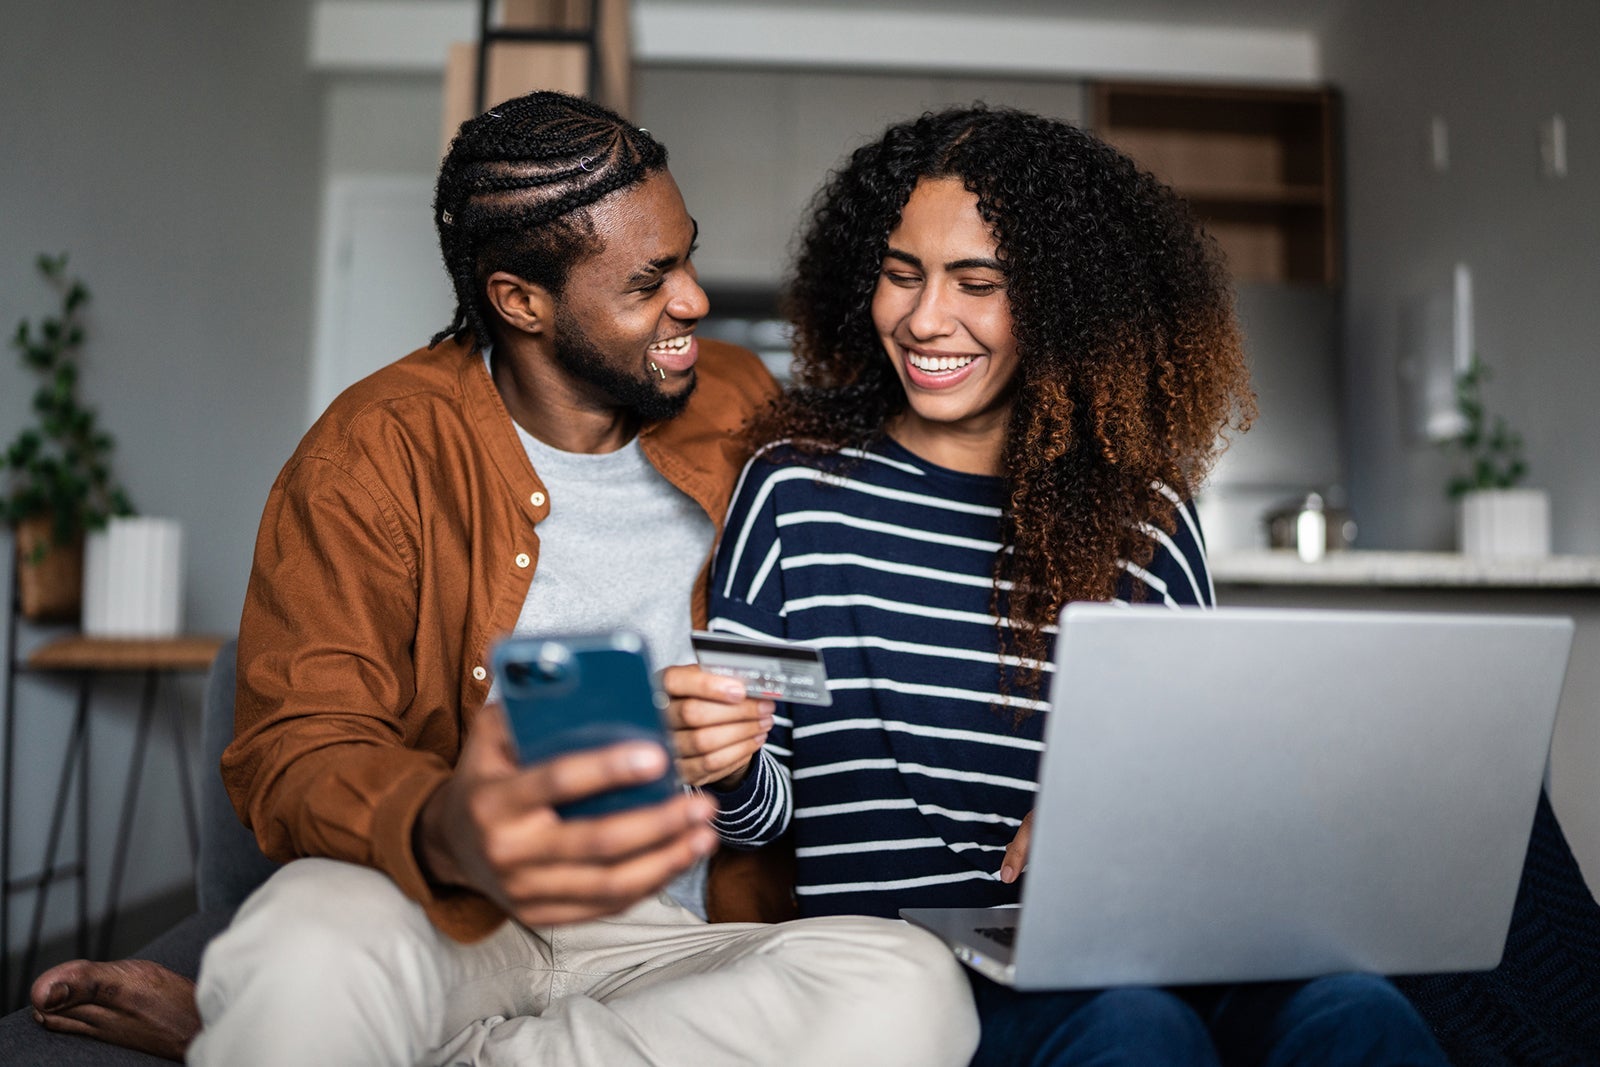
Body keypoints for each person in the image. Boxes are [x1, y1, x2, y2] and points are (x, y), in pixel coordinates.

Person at [29, 90, 978, 1066]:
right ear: (521, 300)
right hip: (446, 908)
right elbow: (294, 743)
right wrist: (447, 820)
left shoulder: (736, 399)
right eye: (649, 281)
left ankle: (322, 1041)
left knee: (908, 985)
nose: (692, 297)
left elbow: (857, 578)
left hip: (674, 937)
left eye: (686, 255)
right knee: (305, 937)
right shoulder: (371, 451)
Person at [705, 105, 1450, 1065]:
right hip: (909, 974)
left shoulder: (1147, 523)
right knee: (1134, 1030)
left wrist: (1115, 815)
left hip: (1132, 943)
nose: (927, 318)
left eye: (979, 283)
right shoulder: (793, 490)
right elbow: (768, 805)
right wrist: (726, 762)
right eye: (902, 273)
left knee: (1357, 1009)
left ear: (1066, 305)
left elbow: (1203, 787)